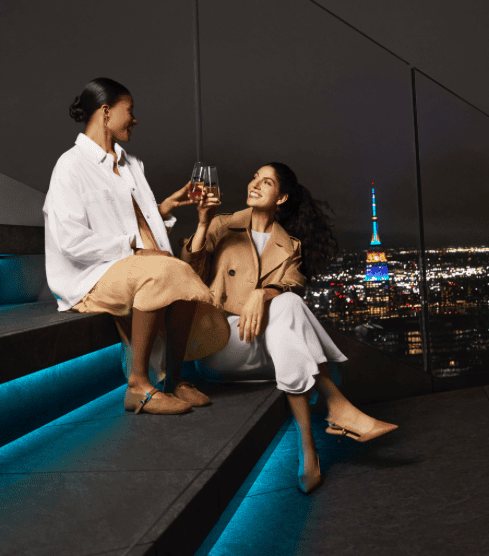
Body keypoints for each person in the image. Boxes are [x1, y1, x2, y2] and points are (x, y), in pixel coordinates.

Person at [181, 162, 398, 494]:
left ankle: (307, 445)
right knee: (288, 305)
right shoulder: (222, 226)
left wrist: (263, 294)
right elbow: (189, 271)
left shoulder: (289, 246)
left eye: (265, 182)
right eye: (254, 176)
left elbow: (293, 286)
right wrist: (202, 222)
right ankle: (333, 410)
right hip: (221, 346)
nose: (254, 183)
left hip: (266, 352)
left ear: (280, 198)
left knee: (288, 302)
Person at [43, 78, 230, 415]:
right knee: (163, 271)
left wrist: (162, 209)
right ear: (105, 112)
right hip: (90, 277)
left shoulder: (131, 165)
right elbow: (70, 240)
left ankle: (175, 378)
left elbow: (124, 219)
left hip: (125, 265)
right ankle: (138, 386)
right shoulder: (70, 167)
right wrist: (133, 247)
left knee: (178, 272)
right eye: (129, 110)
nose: (135, 118)